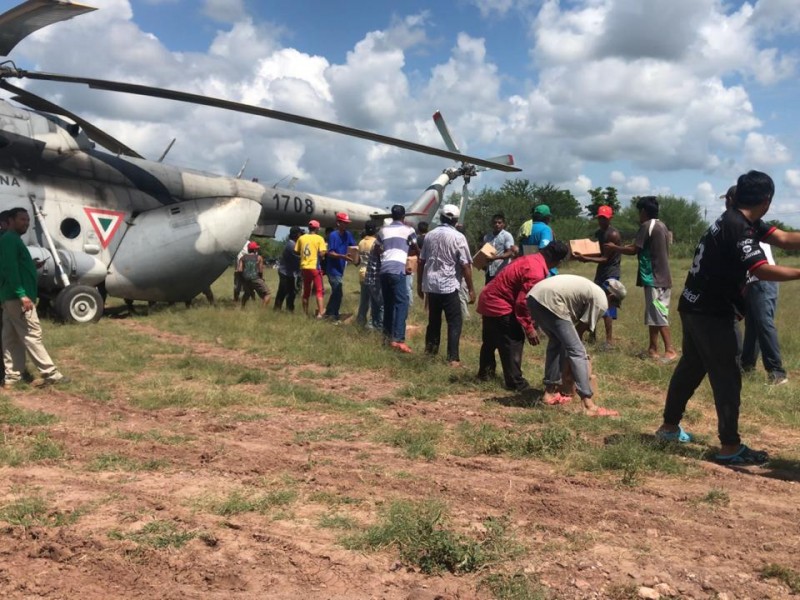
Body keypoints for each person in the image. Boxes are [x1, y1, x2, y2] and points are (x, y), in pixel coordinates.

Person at [657, 171, 800, 465]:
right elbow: (761, 269)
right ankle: (729, 446)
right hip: (711, 311)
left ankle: (669, 428)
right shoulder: (740, 228)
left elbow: (785, 238)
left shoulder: (737, 218)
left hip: (693, 304)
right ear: (768, 200)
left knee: (691, 367)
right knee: (727, 376)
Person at [526, 274, 627, 416]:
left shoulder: (592, 290)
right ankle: (588, 404)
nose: (610, 307)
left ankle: (549, 393)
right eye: (614, 304)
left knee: (556, 342)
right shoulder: (601, 301)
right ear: (610, 297)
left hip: (534, 297)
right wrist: (571, 365)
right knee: (578, 351)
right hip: (552, 300)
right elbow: (578, 334)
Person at [477, 241, 568, 392]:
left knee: (491, 339)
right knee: (513, 339)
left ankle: (485, 374)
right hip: (499, 303)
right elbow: (522, 303)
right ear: (557, 261)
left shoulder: (531, 259)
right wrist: (529, 328)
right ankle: (515, 382)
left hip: (489, 298)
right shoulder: (536, 271)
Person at [724, 191, 787, 387]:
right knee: (753, 324)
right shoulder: (739, 223)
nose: (725, 203)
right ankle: (747, 365)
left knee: (763, 323)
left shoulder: (746, 223)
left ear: (735, 200)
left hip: (763, 279)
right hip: (754, 279)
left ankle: (776, 372)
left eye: (727, 199)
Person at [0, 207, 67, 388]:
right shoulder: (9, 240)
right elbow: (9, 270)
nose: (26, 223)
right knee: (31, 334)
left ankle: (12, 378)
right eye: (22, 219)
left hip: (10, 297)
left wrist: (31, 265)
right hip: (17, 297)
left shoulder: (12, 240)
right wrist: (23, 295)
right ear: (11, 221)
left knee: (11, 338)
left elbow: (15, 266)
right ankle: (51, 374)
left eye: (27, 220)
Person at [605, 196, 676, 361]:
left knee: (659, 314)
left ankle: (670, 350)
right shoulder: (661, 225)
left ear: (644, 211)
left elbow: (634, 250)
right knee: (654, 313)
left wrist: (615, 248)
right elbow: (638, 246)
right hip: (662, 277)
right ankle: (652, 349)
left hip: (654, 277)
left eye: (639, 212)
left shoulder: (646, 226)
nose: (639, 215)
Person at [418, 204, 475, 366]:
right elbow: (465, 265)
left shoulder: (429, 235)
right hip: (449, 285)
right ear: (455, 221)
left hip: (432, 285)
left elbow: (422, 262)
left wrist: (419, 285)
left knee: (434, 321)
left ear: (441, 218)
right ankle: (453, 358)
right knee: (454, 321)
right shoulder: (458, 237)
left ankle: (430, 353)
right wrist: (471, 289)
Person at [573, 205, 622, 348]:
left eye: (604, 218)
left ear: (610, 218)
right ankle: (592, 334)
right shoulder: (600, 233)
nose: (601, 221)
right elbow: (597, 252)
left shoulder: (613, 235)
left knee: (607, 305)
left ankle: (609, 340)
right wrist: (580, 253)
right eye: (600, 218)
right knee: (593, 302)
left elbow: (605, 258)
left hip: (611, 274)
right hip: (601, 272)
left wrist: (586, 259)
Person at [375, 206, 417, 352]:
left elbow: (376, 248)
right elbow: (415, 246)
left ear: (391, 216)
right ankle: (398, 339)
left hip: (384, 269)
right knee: (402, 302)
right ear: (404, 216)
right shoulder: (409, 230)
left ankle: (386, 338)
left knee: (388, 304)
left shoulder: (382, 230)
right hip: (397, 269)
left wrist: (383, 257)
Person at [323, 212, 356, 322]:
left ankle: (328, 313)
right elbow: (330, 253)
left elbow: (353, 247)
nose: (346, 225)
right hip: (332, 269)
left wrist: (356, 258)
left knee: (336, 292)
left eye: (347, 223)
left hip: (340, 268)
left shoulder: (348, 234)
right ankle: (334, 315)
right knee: (338, 292)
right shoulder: (333, 235)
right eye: (344, 223)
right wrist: (343, 256)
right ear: (338, 223)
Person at [295, 220, 328, 318]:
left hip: (304, 267)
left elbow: (296, 251)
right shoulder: (319, 238)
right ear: (317, 228)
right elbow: (322, 253)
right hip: (315, 266)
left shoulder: (301, 238)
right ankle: (321, 313)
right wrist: (321, 255)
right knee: (319, 290)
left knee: (306, 291)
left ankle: (305, 313)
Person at [356, 222, 380, 327]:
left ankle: (360, 321)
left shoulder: (361, 242)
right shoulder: (376, 242)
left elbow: (356, 260)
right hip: (373, 273)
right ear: (375, 230)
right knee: (375, 301)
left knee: (364, 300)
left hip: (362, 273)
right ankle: (372, 323)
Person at [274, 226, 303, 312]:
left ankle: (281, 309)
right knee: (286, 292)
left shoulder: (291, 244)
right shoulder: (292, 245)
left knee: (287, 292)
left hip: (287, 272)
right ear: (297, 234)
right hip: (285, 273)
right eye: (300, 233)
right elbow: (300, 258)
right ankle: (286, 309)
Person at [483, 213, 515, 285]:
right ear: (492, 224)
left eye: (499, 223)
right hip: (489, 271)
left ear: (503, 224)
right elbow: (484, 252)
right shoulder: (487, 237)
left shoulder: (507, 236)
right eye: (495, 222)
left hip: (501, 271)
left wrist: (495, 257)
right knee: (488, 293)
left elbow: (510, 252)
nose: (497, 224)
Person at [238, 241, 271, 307]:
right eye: (256, 248)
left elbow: (240, 270)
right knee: (267, 294)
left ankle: (242, 308)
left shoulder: (242, 258)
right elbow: (260, 271)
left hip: (246, 279)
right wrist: (261, 279)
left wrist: (242, 280)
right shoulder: (259, 258)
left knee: (247, 294)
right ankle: (263, 310)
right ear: (254, 249)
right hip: (255, 278)